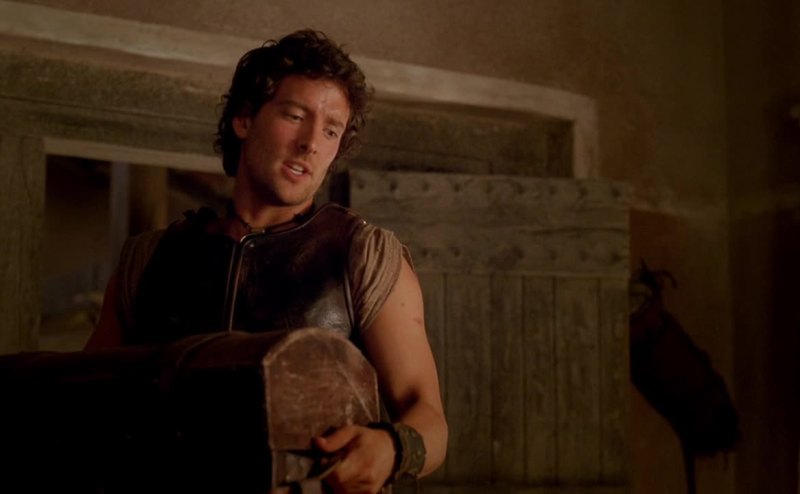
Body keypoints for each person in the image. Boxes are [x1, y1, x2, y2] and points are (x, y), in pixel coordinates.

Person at [85, 29, 447, 493]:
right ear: (243, 119)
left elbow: (431, 420)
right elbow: (82, 401)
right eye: (295, 116)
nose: (311, 143)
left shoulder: (367, 254)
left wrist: (392, 447)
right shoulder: (148, 259)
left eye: (331, 130)